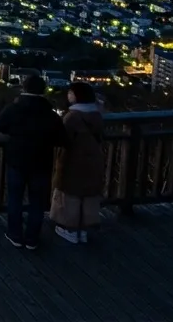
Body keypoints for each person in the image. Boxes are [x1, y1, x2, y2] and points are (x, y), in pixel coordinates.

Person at [0, 74, 68, 249]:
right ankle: (32, 238)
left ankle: (15, 234)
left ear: (24, 87)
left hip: (17, 159)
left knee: (15, 198)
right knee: (37, 201)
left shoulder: (14, 109)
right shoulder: (50, 114)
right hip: (42, 161)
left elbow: (0, 125)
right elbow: (62, 139)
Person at [50, 82, 105, 244]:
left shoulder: (72, 117)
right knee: (88, 194)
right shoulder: (96, 114)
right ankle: (84, 230)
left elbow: (63, 139)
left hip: (73, 159)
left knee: (70, 193)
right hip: (93, 159)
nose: (68, 95)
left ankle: (70, 229)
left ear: (77, 96)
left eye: (71, 93)